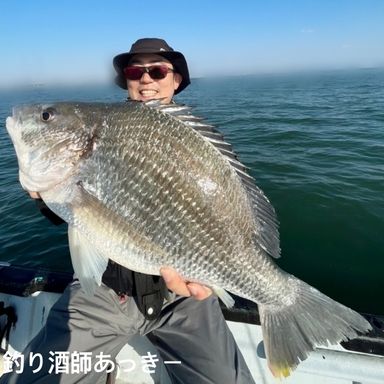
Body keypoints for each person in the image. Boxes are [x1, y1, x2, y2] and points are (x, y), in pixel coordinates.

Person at [1, 38, 255, 384]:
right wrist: (43, 197)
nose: (146, 79)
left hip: (182, 297)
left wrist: (211, 265)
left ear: (176, 79)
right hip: (106, 291)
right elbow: (74, 211)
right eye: (136, 71)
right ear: (126, 80)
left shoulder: (198, 145)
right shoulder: (104, 127)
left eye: (158, 70)